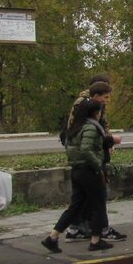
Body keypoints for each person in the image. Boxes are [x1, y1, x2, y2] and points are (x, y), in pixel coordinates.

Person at [41, 98, 113, 253]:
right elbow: (87, 149)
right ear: (95, 113)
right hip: (89, 171)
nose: (101, 114)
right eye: (100, 111)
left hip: (76, 171)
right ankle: (95, 240)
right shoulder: (91, 127)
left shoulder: (74, 127)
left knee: (75, 206)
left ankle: (52, 237)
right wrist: (98, 165)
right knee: (98, 205)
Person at [60, 78, 126, 242]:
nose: (107, 100)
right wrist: (109, 141)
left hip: (81, 160)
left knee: (82, 198)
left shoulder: (88, 105)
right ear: (96, 93)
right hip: (89, 161)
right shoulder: (87, 106)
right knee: (97, 196)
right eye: (106, 96)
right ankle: (100, 232)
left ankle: (69, 231)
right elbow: (91, 136)